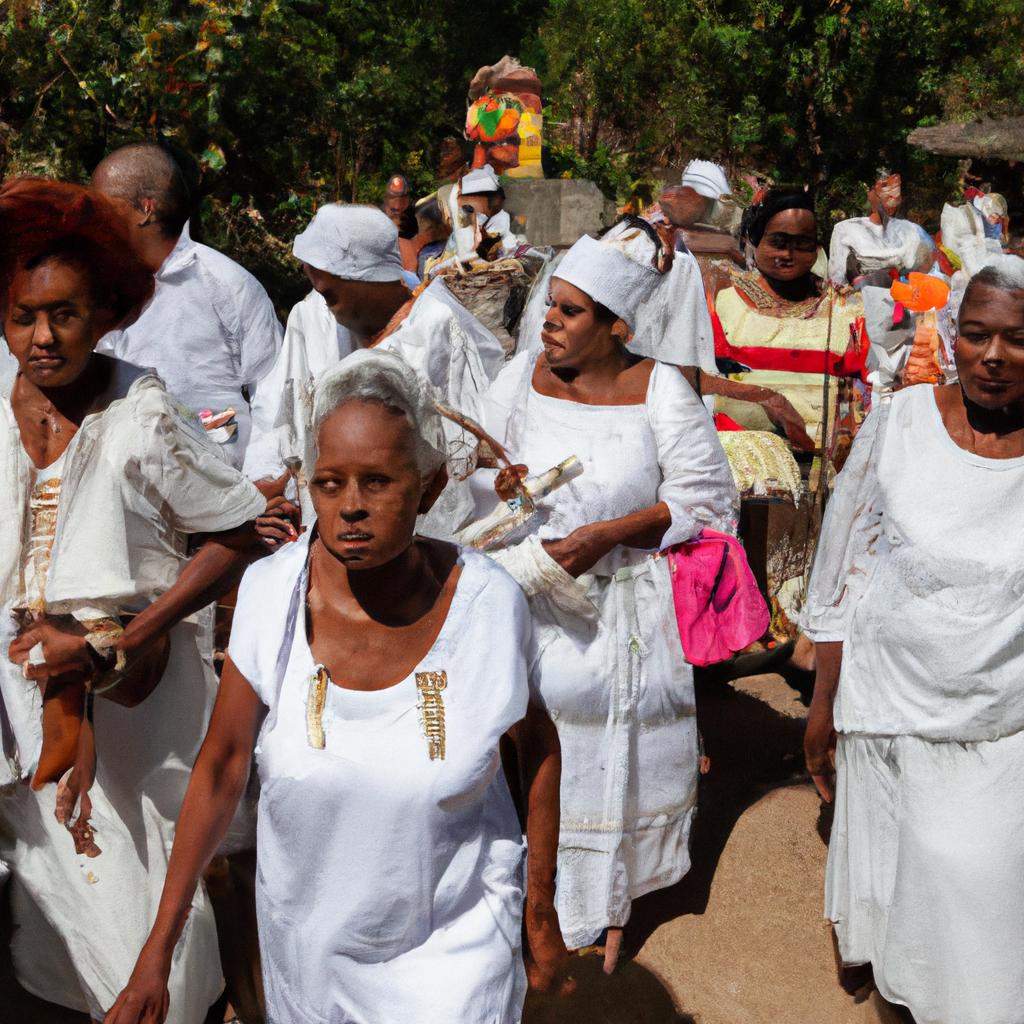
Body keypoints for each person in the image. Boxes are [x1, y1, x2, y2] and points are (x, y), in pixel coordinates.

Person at [106, 349, 567, 1024]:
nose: (351, 507)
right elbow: (221, 768)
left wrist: (539, 907)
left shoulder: (488, 604)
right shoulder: (270, 594)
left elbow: (538, 749)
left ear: (429, 488)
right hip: (312, 950)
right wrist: (158, 952)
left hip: (458, 945)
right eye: (330, 484)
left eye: (377, 482)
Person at [0, 178, 278, 1023]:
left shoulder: (140, 409)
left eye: (66, 315)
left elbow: (239, 530)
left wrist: (124, 641)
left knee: (141, 859)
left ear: (106, 311)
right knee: (47, 856)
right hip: (28, 685)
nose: (43, 338)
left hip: (142, 691)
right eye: (22, 317)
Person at [469, 219, 737, 972]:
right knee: (513, 726)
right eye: (548, 307)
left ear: (616, 327)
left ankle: (607, 901)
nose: (548, 323)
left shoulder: (659, 391)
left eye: (569, 312)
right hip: (525, 588)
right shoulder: (518, 378)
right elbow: (476, 469)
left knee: (599, 736)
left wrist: (613, 532)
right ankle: (519, 891)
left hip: (621, 603)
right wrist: (501, 483)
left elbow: (709, 503)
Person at [802, 255, 1024, 1024]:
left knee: (974, 889)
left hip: (999, 718)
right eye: (977, 335)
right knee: (897, 885)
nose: (994, 356)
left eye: (1018, 340)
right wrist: (823, 704)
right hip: (887, 701)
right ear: (951, 338)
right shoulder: (898, 424)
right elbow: (843, 567)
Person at [244, 203, 505, 528]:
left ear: (367, 279)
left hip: (408, 523)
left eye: (329, 293)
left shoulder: (433, 329)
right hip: (323, 520)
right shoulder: (312, 316)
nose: (321, 297)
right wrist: (268, 485)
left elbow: (457, 452)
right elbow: (277, 414)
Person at [92, 142, 283, 469]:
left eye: (101, 205)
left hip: (217, 490)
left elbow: (274, 393)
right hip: (111, 479)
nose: (91, 217)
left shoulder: (225, 285)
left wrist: (258, 480)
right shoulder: (88, 286)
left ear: (145, 209)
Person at [712, 187, 865, 441]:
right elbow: (695, 377)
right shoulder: (724, 300)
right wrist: (766, 399)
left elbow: (859, 389)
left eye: (802, 244)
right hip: (740, 457)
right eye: (778, 242)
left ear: (816, 247)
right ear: (755, 240)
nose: (788, 255)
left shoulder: (846, 308)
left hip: (823, 464)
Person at [827, 170, 927, 287]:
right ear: (870, 194)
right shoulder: (845, 229)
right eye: (884, 187)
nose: (892, 195)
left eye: (896, 188)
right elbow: (836, 283)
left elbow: (921, 274)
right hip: (859, 300)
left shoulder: (911, 231)